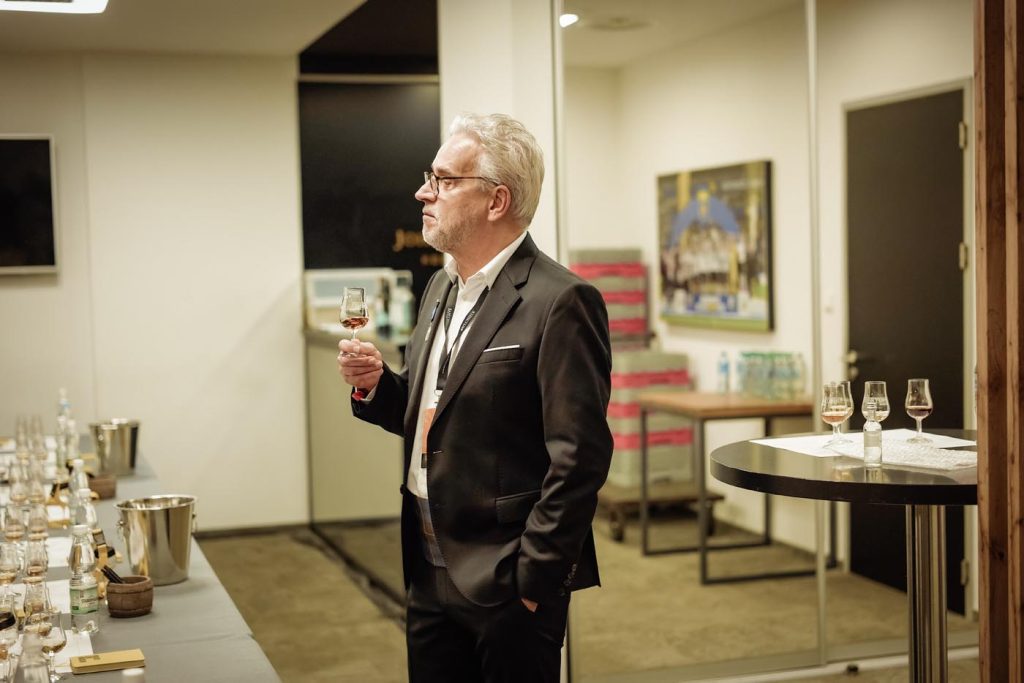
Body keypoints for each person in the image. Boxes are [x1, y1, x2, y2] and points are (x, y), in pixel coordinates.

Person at [337, 113, 613, 683]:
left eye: (443, 180)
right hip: (426, 566)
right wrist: (378, 386)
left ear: (496, 200)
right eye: (429, 178)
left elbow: (580, 459)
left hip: (507, 582)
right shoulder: (441, 286)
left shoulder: (561, 301)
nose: (423, 193)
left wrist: (533, 580)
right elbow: (435, 414)